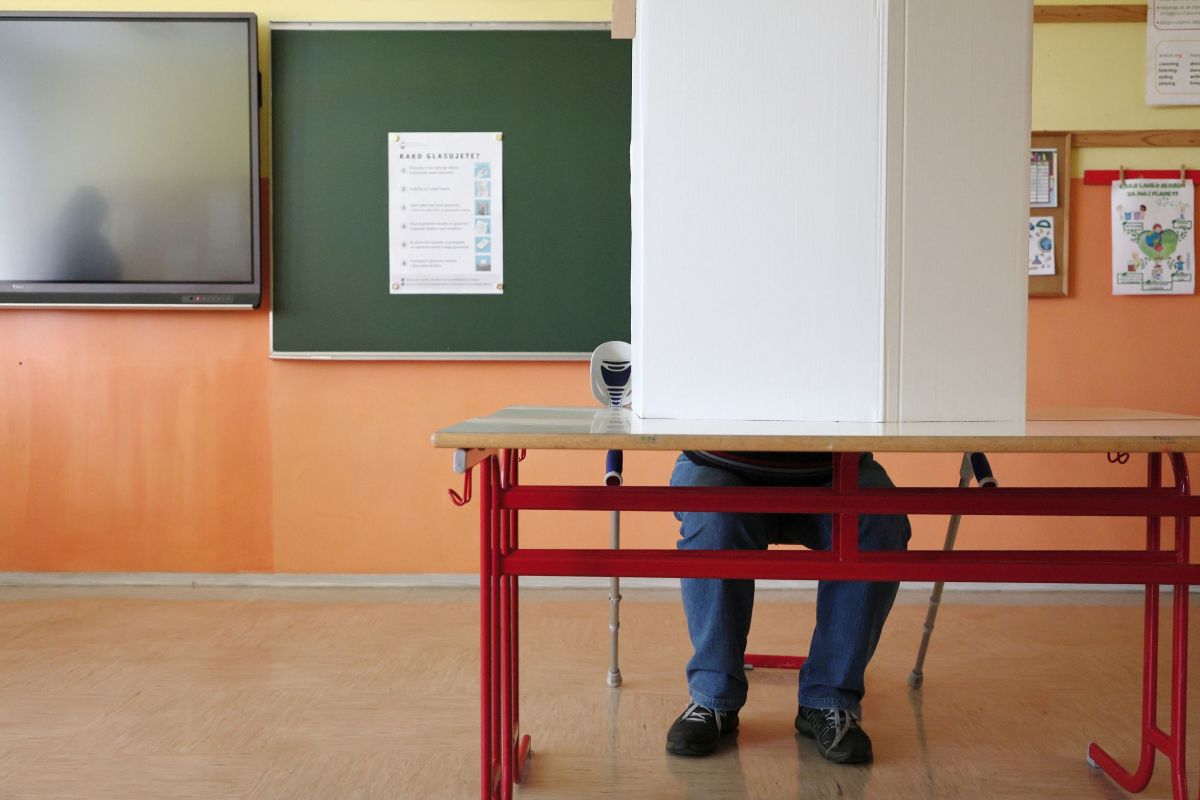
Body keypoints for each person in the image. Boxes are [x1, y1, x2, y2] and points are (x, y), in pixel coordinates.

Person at [665, 449, 911, 764]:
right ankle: (713, 698)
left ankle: (829, 698)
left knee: (879, 521)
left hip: (835, 465)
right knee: (711, 517)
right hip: (718, 462)